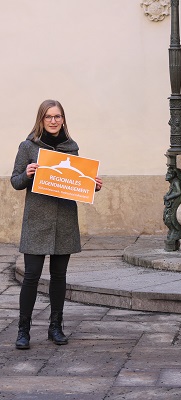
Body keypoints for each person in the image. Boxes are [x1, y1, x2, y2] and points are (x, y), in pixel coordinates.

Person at [11, 100, 103, 350]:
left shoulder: (71, 148)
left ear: (63, 119)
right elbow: (15, 181)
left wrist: (90, 185)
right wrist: (27, 174)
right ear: (41, 119)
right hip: (36, 221)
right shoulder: (27, 146)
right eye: (49, 117)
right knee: (31, 276)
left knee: (59, 277)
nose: (54, 121)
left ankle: (56, 327)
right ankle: (23, 330)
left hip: (64, 219)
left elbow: (75, 183)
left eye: (58, 116)